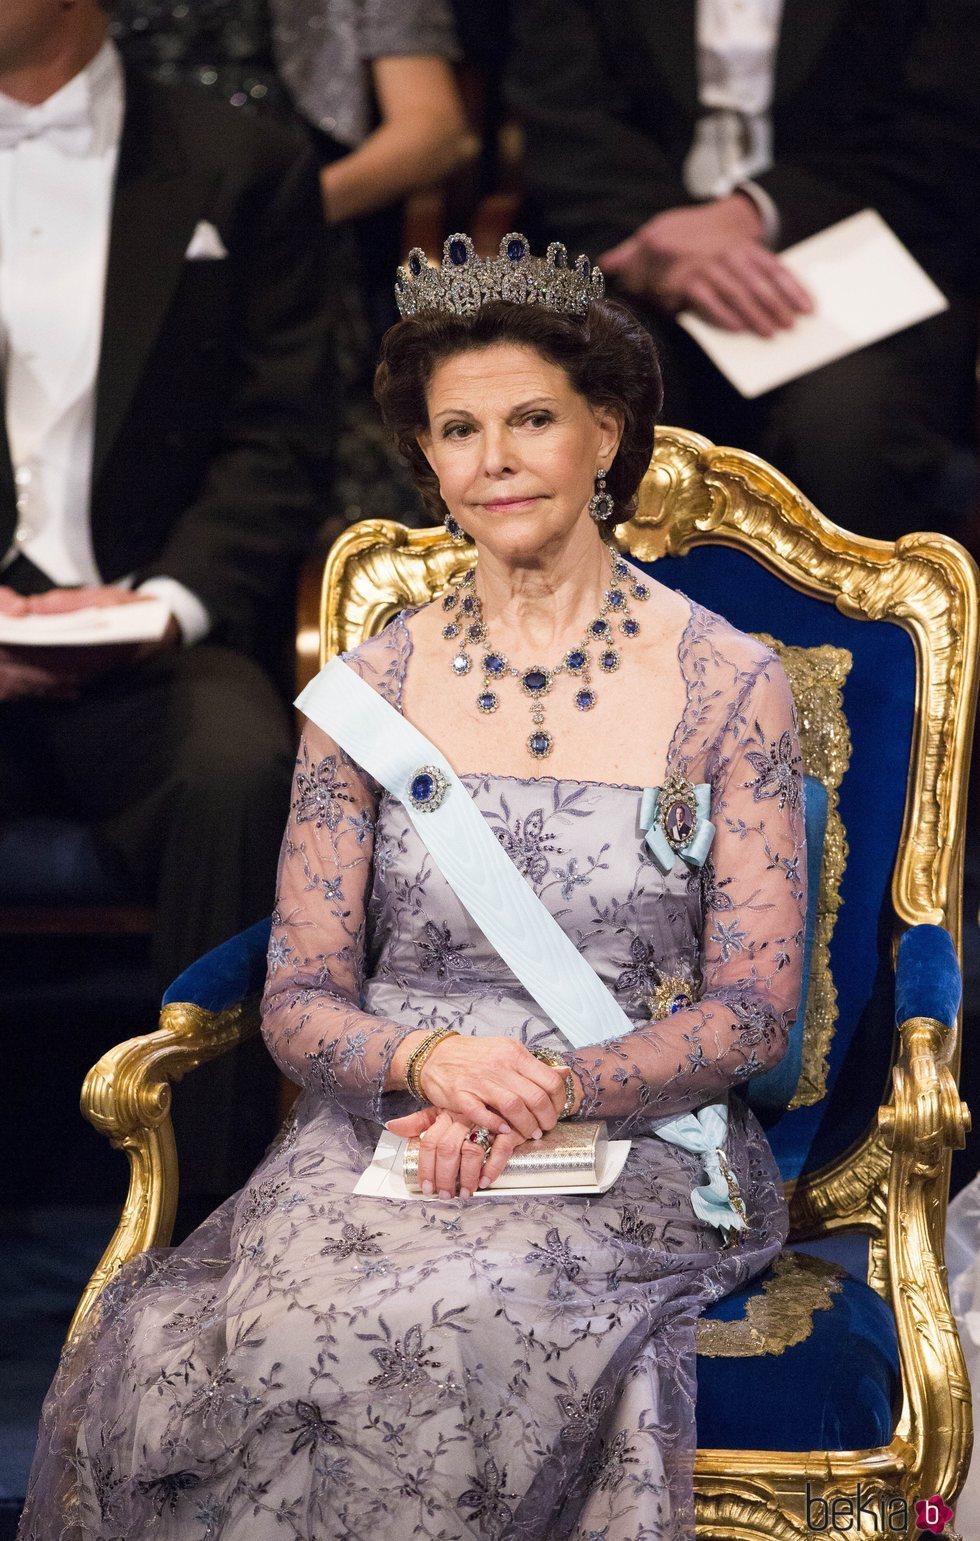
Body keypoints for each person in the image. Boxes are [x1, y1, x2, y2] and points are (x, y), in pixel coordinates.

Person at [18, 235, 805, 1539]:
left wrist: (544, 1087)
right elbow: (302, 1000)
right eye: (458, 429)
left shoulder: (728, 683)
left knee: (428, 1343)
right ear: (429, 461)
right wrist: (436, 1065)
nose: (492, 458)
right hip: (388, 1137)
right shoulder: (369, 692)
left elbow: (750, 1013)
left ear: (607, 433)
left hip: (634, 1136)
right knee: (181, 1361)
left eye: (532, 419)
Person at [0, 0, 333, 1189]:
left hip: (152, 633)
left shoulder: (243, 160)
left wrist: (164, 606)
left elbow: (277, 435)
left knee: (240, 765)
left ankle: (212, 1211)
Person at [506, 0, 980, 544]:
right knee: (601, 399)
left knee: (847, 429)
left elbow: (940, 131)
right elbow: (566, 122)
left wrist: (752, 213)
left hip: (862, 252)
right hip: (634, 254)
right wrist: (664, 242)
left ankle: (843, 629)